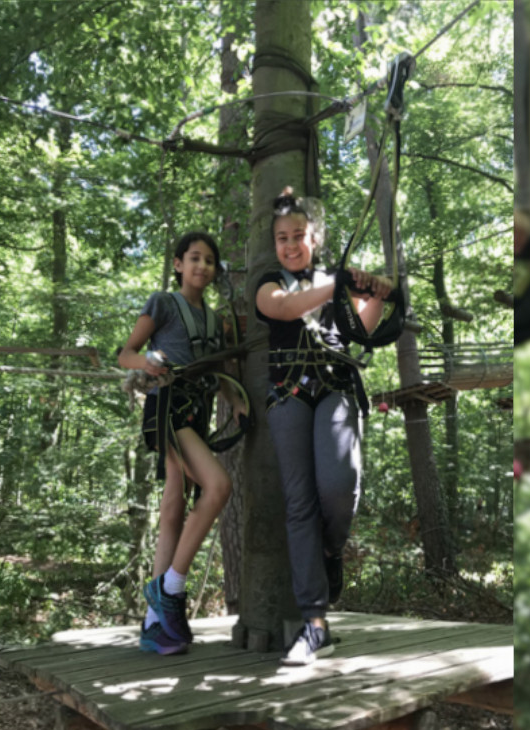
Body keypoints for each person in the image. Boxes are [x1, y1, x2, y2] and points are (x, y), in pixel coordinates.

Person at [254, 188, 392, 666]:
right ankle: (314, 623)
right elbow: (284, 309)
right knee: (299, 502)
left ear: (315, 238)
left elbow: (363, 330)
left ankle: (331, 552)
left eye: (298, 236)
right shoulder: (269, 281)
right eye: (281, 238)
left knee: (338, 484)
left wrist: (373, 294)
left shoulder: (335, 280)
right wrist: (340, 287)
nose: (290, 245)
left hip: (334, 386)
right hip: (289, 393)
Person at [118, 231, 247, 656]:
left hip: (197, 412)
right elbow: (127, 353)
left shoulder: (217, 321)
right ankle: (169, 590)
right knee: (218, 486)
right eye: (194, 258)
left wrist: (238, 402)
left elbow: (223, 374)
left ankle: (156, 627)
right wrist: (148, 362)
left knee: (174, 503)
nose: (202, 267)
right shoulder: (163, 304)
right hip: (167, 407)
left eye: (210, 260)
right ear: (178, 264)